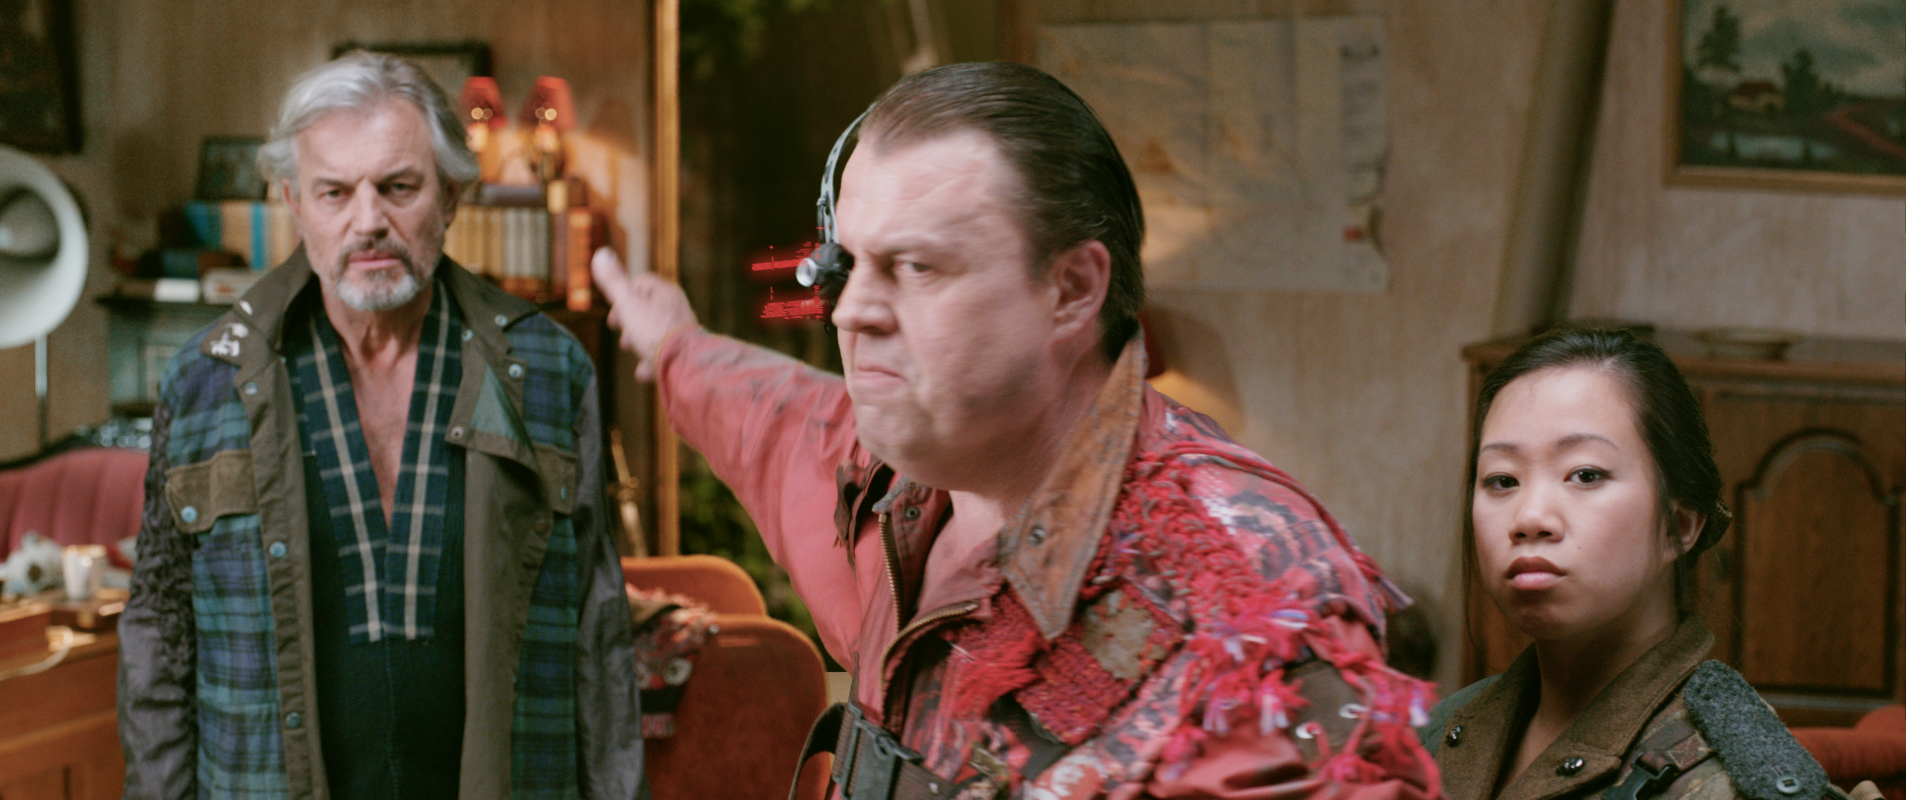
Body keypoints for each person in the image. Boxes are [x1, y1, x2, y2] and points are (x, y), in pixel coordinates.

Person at [595, 61, 1438, 800]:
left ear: (1072, 288)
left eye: (914, 266)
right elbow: (774, 418)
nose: (851, 312)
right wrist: (673, 344)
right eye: (850, 265)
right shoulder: (899, 481)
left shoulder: (1249, 615)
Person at [117, 51, 643, 800]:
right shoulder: (205, 383)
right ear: (294, 203)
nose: (368, 223)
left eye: (399, 187)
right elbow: (159, 636)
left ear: (451, 196)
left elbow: (599, 636)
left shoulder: (551, 372)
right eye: (334, 192)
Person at [1422, 328, 1873, 800]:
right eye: (1502, 480)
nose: (1529, 518)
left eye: (1585, 474)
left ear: (1679, 526)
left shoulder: (1724, 784)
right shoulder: (1439, 732)